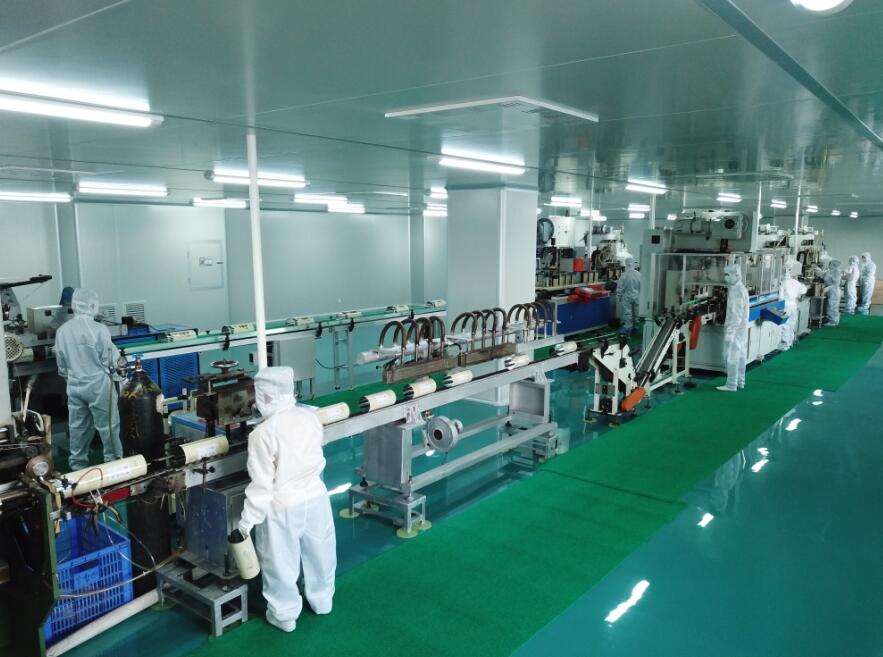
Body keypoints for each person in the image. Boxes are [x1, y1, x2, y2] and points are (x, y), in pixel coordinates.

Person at [238, 367, 336, 633]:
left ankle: (284, 615)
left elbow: (261, 487)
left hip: (283, 505)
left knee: (280, 560)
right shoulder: (310, 417)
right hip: (316, 496)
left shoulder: (262, 434)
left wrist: (246, 522)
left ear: (263, 396)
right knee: (321, 550)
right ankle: (322, 600)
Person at [55, 288, 122, 470]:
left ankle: (77, 468)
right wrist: (121, 378)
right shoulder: (98, 329)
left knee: (78, 429)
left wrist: (73, 378)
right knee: (108, 428)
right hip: (98, 387)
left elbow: (61, 364)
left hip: (75, 386)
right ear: (92, 305)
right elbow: (111, 360)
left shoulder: (62, 331)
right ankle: (114, 466)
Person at [717, 264, 749, 392]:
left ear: (736, 275)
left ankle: (731, 385)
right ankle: (740, 381)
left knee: (732, 357)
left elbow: (736, 315)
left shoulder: (737, 291)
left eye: (728, 275)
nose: (726, 277)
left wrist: (730, 332)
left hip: (735, 330)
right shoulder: (740, 288)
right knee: (740, 356)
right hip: (741, 330)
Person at [779, 259, 807, 351]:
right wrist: (798, 295)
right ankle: (790, 342)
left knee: (785, 325)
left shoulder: (782, 283)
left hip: (785, 306)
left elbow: (780, 298)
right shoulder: (795, 282)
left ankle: (785, 344)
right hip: (794, 306)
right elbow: (804, 289)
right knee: (791, 324)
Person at [617, 258, 641, 334]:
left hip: (626, 297)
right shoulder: (639, 274)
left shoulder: (624, 275)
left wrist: (619, 297)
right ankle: (636, 327)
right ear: (634, 264)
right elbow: (642, 286)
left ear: (626, 264)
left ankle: (628, 327)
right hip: (637, 296)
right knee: (636, 312)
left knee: (627, 312)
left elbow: (620, 288)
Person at [820, 260, 842, 326]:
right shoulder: (830, 271)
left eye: (830, 264)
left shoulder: (837, 272)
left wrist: (827, 288)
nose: (829, 265)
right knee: (830, 305)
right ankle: (831, 319)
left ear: (834, 265)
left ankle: (833, 321)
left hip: (834, 291)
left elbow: (836, 284)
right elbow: (822, 274)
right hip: (830, 291)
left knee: (833, 306)